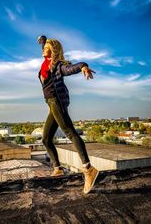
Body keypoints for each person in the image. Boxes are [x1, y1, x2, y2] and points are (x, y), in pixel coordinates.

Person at [37, 38, 99, 194]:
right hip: (51, 104)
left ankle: (88, 169)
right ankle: (57, 168)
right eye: (43, 47)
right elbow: (45, 48)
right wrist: (43, 40)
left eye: (46, 47)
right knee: (45, 139)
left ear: (53, 49)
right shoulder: (46, 64)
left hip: (57, 102)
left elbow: (71, 68)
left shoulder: (58, 66)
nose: (44, 49)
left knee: (70, 133)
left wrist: (83, 66)